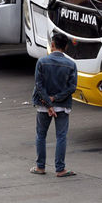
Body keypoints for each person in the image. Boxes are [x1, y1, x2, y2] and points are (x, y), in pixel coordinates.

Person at [31, 32, 77, 176]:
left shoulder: (42, 62)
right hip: (62, 105)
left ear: (52, 44)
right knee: (61, 136)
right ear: (66, 47)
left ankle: (40, 167)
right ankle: (60, 169)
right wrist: (55, 99)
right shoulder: (71, 64)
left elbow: (39, 86)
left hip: (43, 106)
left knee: (41, 135)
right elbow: (71, 88)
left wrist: (48, 104)